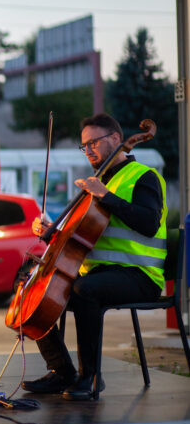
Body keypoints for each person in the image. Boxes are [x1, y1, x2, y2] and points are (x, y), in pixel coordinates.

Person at [22, 113, 166, 401]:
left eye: (93, 143)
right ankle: (61, 371)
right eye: (84, 146)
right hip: (99, 273)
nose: (88, 150)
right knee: (29, 284)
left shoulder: (144, 177)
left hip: (138, 274)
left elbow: (149, 224)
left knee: (83, 290)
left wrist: (106, 196)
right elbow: (80, 235)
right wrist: (52, 231)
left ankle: (91, 377)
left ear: (115, 139)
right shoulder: (96, 183)